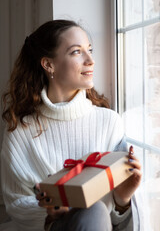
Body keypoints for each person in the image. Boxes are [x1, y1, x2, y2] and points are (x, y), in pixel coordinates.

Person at [0, 19, 142, 231]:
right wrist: (49, 211)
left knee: (94, 210)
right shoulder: (20, 130)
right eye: (77, 52)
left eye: (90, 50)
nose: (91, 60)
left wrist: (123, 198)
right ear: (49, 64)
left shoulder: (109, 123)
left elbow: (115, 217)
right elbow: (16, 204)